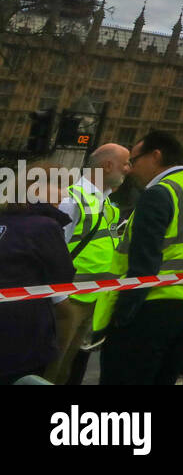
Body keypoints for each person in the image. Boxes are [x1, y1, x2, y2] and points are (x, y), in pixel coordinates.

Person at [99, 130, 183, 385]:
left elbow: (144, 261)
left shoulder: (159, 194)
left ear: (156, 156)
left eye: (135, 160)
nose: (131, 169)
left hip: (154, 304)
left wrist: (124, 314)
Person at [46, 142, 130, 384]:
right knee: (51, 369)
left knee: (65, 371)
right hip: (68, 300)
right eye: (125, 163)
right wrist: (58, 300)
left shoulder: (109, 205)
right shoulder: (73, 199)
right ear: (107, 165)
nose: (128, 169)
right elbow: (54, 250)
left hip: (92, 299)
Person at [0, 161, 76, 384]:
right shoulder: (44, 226)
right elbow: (63, 276)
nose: (65, 197)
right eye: (62, 187)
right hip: (21, 337)